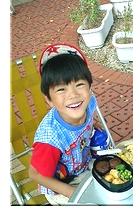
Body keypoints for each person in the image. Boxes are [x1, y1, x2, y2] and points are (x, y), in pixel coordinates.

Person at [28, 43, 100, 205]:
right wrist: (71, 192)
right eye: (61, 89)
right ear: (49, 100)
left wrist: (93, 125)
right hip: (62, 186)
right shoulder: (51, 140)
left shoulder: (88, 104)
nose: (73, 95)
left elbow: (88, 118)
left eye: (79, 85)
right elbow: (35, 174)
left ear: (89, 88)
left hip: (84, 165)